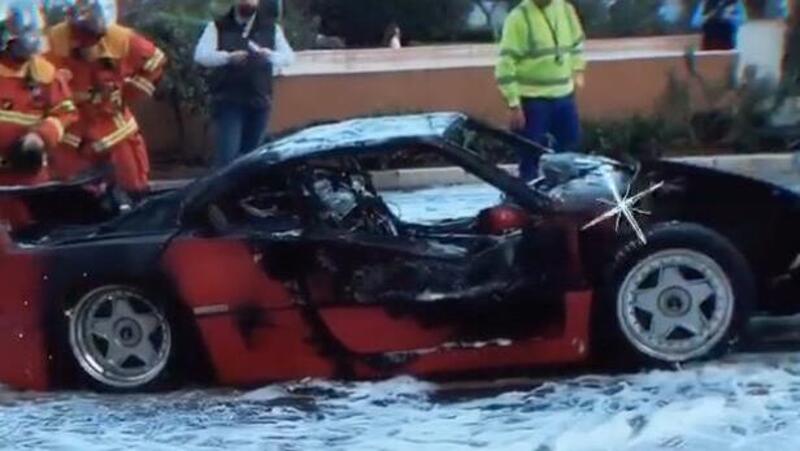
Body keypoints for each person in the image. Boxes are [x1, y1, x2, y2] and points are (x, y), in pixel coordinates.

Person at [45, 0, 166, 198]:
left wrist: (127, 94)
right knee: (71, 194)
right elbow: (36, 78)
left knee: (133, 187)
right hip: (72, 129)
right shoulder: (54, 41)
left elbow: (155, 62)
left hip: (115, 126)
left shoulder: (121, 38)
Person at [0, 0, 77, 228]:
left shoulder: (44, 73)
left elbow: (65, 112)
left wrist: (40, 136)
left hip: (29, 178)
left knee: (32, 236)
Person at [194, 0, 295, 168]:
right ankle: (222, 193)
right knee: (228, 159)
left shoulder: (271, 28)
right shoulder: (218, 27)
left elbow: (288, 57)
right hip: (229, 101)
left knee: (253, 160)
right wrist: (227, 58)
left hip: (260, 100)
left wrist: (269, 55)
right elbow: (201, 56)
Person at [495, 0, 586, 182]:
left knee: (570, 148)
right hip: (533, 98)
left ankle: (566, 193)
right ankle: (528, 195)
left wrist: (578, 69)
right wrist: (514, 103)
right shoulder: (519, 17)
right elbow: (506, 64)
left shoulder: (566, 10)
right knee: (530, 153)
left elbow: (577, 43)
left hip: (564, 95)